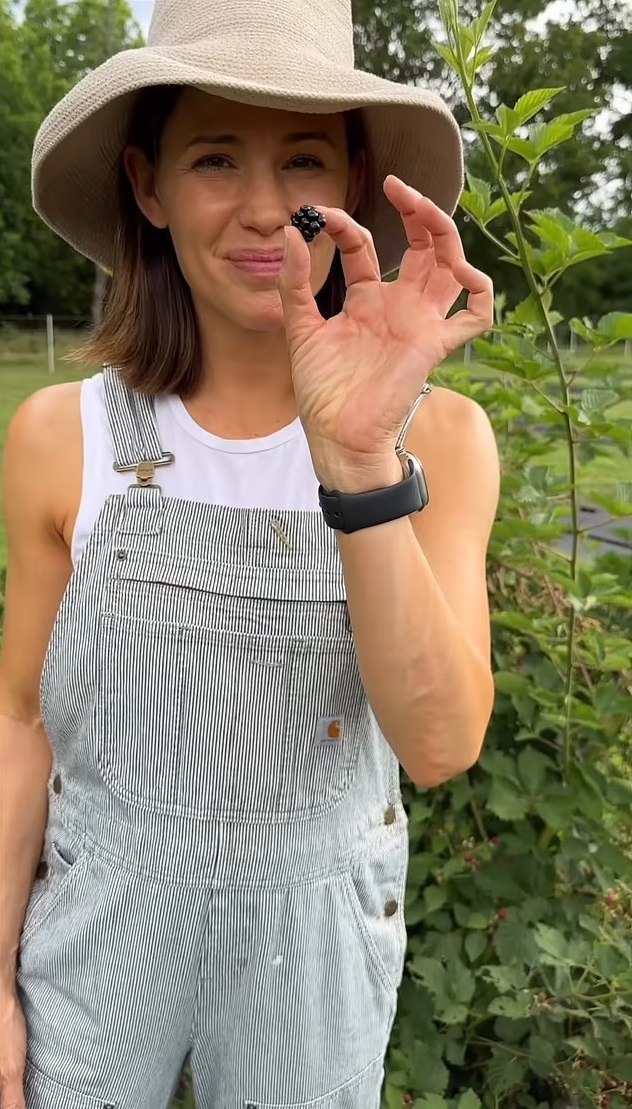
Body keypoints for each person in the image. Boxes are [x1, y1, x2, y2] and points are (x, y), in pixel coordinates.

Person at [0, 0, 501, 1105]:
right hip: (95, 924)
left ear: (356, 179)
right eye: (215, 157)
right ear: (146, 183)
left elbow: (437, 742)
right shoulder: (60, 438)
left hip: (314, 948)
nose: (266, 206)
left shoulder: (443, 444)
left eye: (304, 158)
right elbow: (22, 717)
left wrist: (360, 457)